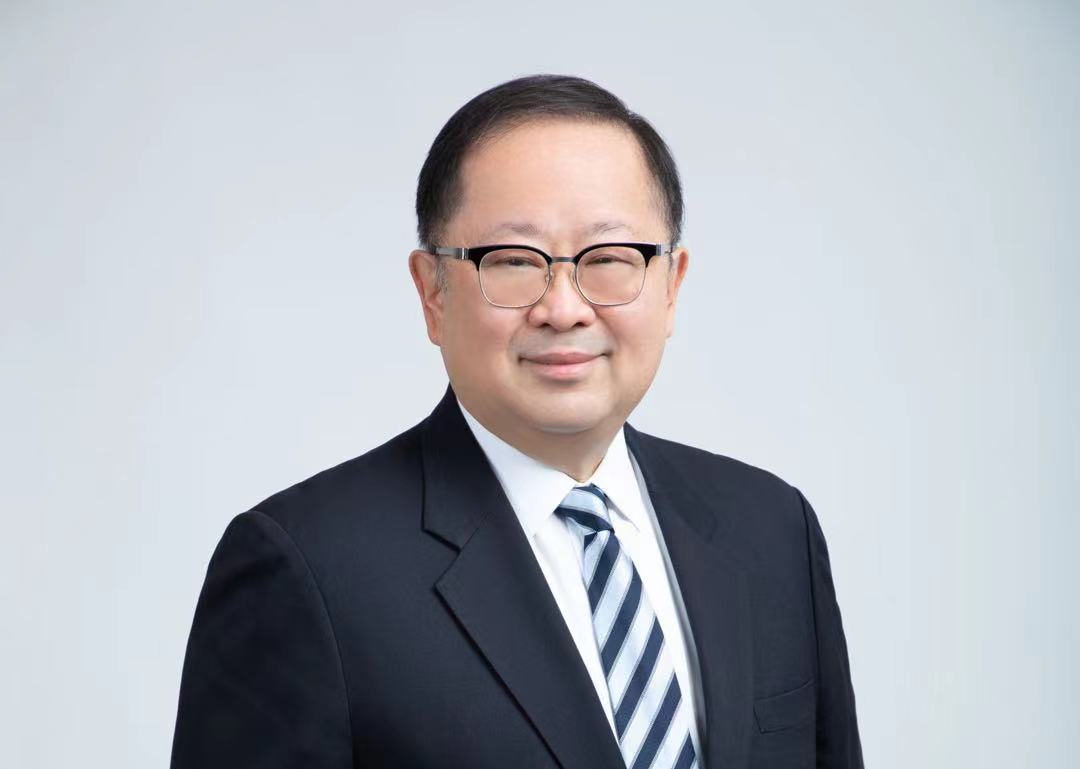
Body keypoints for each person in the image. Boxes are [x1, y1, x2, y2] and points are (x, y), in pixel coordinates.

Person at [170, 74, 864, 769]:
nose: (563, 309)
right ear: (432, 292)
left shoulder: (772, 528)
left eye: (610, 259)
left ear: (672, 285)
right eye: (512, 262)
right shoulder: (307, 569)